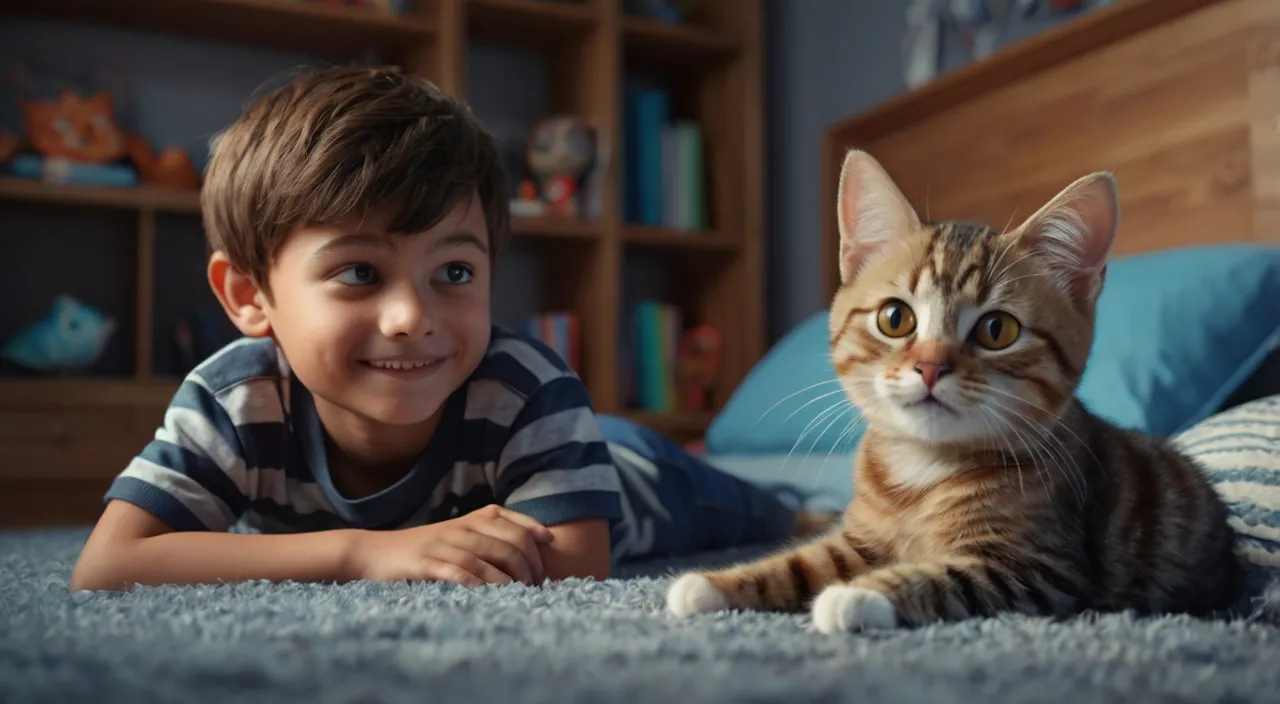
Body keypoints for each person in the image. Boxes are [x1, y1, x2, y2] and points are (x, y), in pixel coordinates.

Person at [68, 66, 820, 592]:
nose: (412, 319)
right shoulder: (235, 398)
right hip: (559, 465)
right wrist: (364, 554)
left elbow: (577, 563)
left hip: (639, 482)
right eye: (360, 272)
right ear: (248, 294)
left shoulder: (527, 386)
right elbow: (108, 564)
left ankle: (789, 497)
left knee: (752, 505)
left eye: (454, 273)